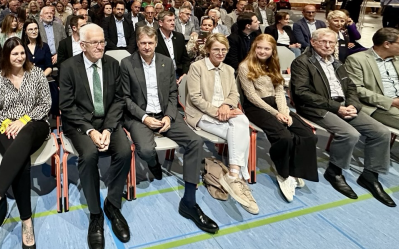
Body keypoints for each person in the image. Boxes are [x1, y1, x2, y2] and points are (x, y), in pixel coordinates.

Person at [120, 26, 218, 233]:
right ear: (137, 44)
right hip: (140, 116)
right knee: (146, 150)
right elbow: (125, 98)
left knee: (195, 142)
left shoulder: (166, 62)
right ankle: (153, 163)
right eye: (142, 43)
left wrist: (168, 116)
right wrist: (145, 118)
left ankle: (189, 202)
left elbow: (173, 94)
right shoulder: (127, 64)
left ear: (156, 43)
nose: (146, 47)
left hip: (165, 114)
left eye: (150, 43)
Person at [290, 28, 393, 206]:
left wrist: (353, 105)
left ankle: (370, 174)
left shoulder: (338, 62)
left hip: (344, 105)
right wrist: (337, 108)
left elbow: (351, 87)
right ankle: (334, 171)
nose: (328, 45)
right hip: (317, 107)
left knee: (382, 132)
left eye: (332, 42)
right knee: (349, 133)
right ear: (313, 43)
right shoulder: (302, 62)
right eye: (323, 41)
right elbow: (301, 93)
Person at [59, 24, 132, 249]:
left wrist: (109, 128)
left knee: (124, 150)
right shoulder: (69, 67)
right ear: (82, 45)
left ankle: (112, 203)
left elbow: (119, 99)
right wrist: (90, 130)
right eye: (95, 43)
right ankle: (95, 214)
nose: (101, 46)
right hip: (81, 124)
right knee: (89, 155)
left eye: (103, 41)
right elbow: (67, 106)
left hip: (108, 122)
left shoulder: (113, 64)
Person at [0, 37, 51, 249]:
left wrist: (24, 120)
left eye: (22, 53)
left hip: (35, 125)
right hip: (6, 129)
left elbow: (45, 104)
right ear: (6, 56)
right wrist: (7, 123)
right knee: (22, 165)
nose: (19, 57)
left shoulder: (36, 74)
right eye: (15, 54)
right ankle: (27, 223)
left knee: (25, 135)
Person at [238, 35, 318, 201]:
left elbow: (279, 92)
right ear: (254, 47)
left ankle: (295, 168)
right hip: (256, 107)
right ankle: (283, 172)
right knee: (284, 136)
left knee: (307, 134)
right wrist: (276, 114)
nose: (262, 51)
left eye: (267, 49)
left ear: (272, 50)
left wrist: (285, 112)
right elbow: (252, 96)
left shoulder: (273, 65)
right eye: (259, 47)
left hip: (276, 105)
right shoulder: (245, 66)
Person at [185, 34, 258, 214]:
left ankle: (233, 174)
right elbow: (195, 97)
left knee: (241, 120)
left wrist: (226, 105)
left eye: (223, 50)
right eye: (216, 49)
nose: (220, 53)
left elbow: (235, 95)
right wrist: (217, 111)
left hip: (225, 112)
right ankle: (239, 176)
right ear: (208, 50)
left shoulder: (228, 70)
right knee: (241, 130)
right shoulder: (197, 67)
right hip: (202, 114)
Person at [346, 28, 399, 162]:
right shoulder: (357, 59)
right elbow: (357, 89)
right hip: (380, 105)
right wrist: (393, 102)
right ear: (387, 44)